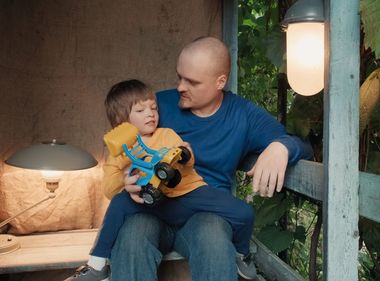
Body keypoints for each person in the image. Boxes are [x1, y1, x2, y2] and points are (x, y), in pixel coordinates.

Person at [109, 37, 313, 281]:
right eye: (180, 77)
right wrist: (125, 177)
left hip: (206, 213)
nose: (181, 87)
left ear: (220, 82)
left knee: (214, 240)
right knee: (132, 235)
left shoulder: (243, 115)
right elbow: (122, 144)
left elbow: (303, 145)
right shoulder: (157, 106)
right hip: (155, 207)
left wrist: (281, 147)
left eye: (192, 82)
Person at [64, 79, 257, 281]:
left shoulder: (166, 134)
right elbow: (109, 188)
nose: (151, 114)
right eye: (141, 111)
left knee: (243, 212)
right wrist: (124, 179)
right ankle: (97, 264)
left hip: (188, 195)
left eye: (153, 108)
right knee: (120, 203)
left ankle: (241, 254)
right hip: (153, 203)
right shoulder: (120, 152)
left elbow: (184, 161)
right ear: (122, 121)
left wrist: (186, 155)